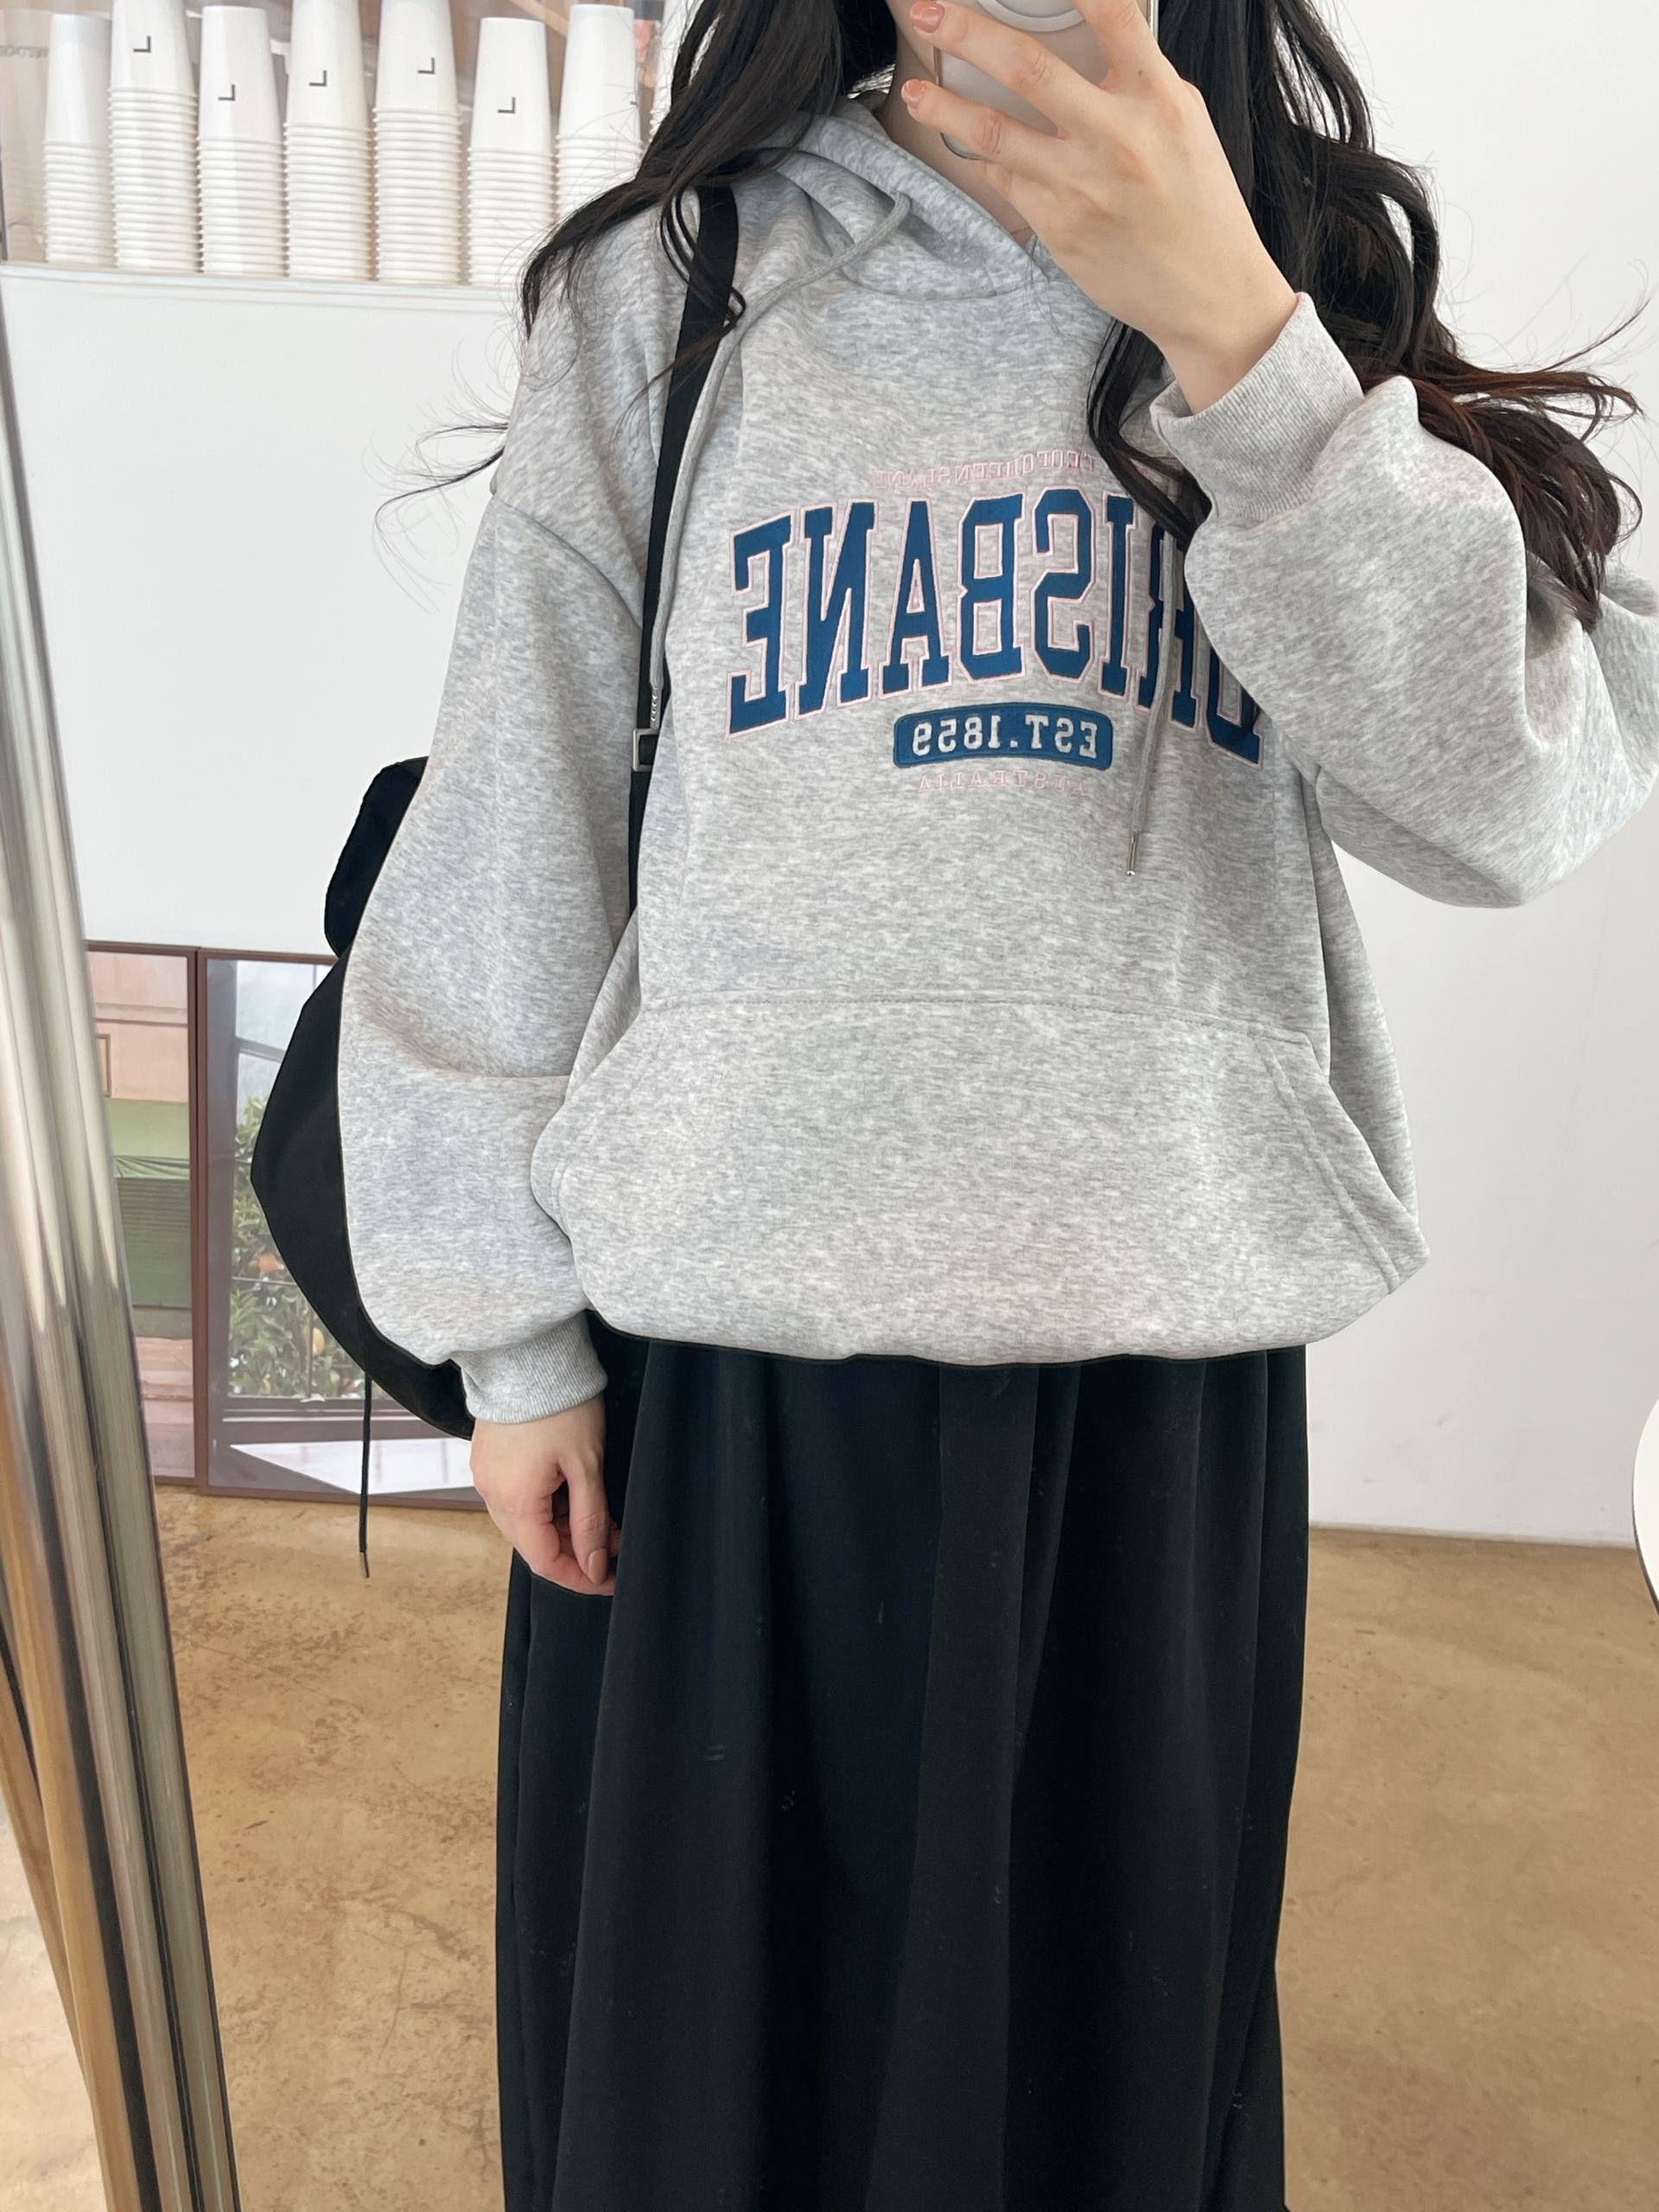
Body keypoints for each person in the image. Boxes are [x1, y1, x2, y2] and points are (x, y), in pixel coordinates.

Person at [335, 2, 1659, 2206]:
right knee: (710, 2109)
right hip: (726, 1362)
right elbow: (519, 800)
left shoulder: (1300, 267)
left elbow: (1509, 799)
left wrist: (1240, 337)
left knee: (1093, 2102)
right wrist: (510, 1328)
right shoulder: (678, 280)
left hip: (1153, 1364)